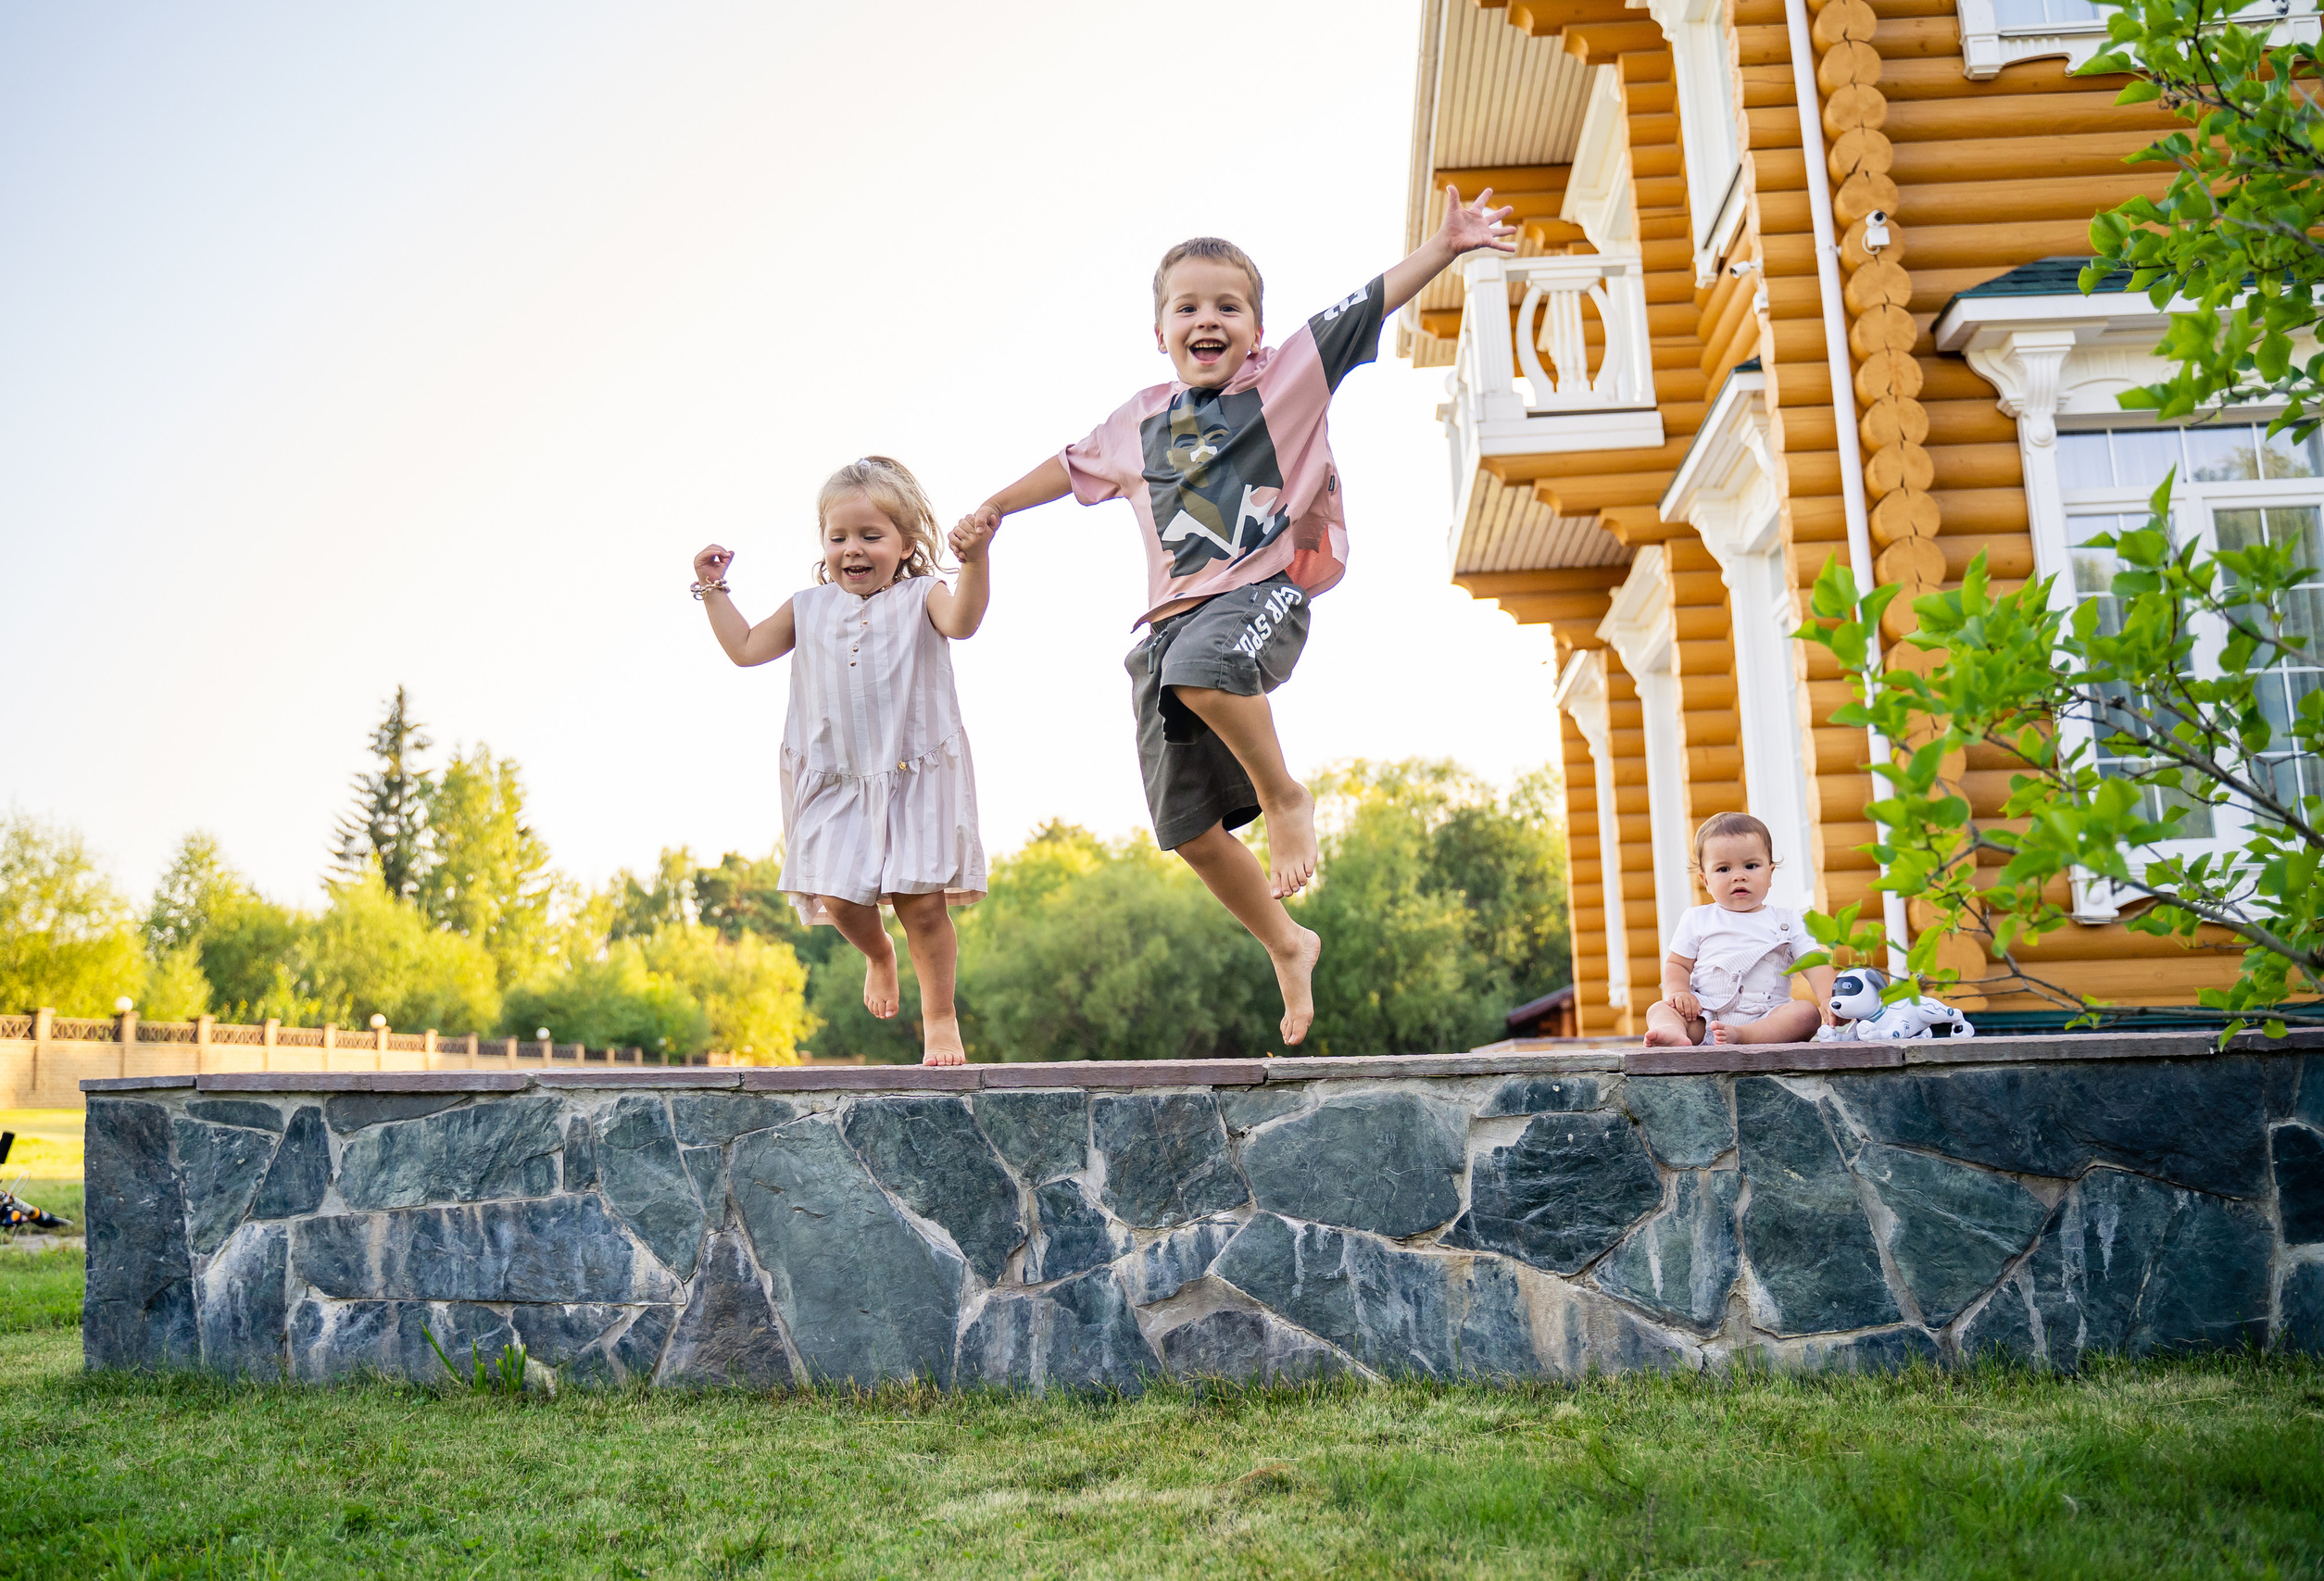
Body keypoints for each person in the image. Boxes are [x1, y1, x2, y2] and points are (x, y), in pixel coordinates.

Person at [951, 189, 1519, 1045]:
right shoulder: (1135, 421)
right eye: (1188, 308)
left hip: (1266, 591)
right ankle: (1287, 942)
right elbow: (1065, 464)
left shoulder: (1289, 373)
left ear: (1258, 326)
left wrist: (1445, 245)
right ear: (1160, 331)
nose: (1207, 320)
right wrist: (994, 506)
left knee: (1201, 670)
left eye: (1229, 306)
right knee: (1188, 829)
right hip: (1166, 623)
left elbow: (1370, 300)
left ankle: (1285, 793)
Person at [691, 456, 992, 1067]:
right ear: (824, 542)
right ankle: (878, 953)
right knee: (835, 890)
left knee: (923, 906)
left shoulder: (922, 596)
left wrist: (976, 562)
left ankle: (940, 1017)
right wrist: (713, 590)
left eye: (870, 536)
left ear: (906, 542)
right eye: (839, 537)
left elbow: (963, 622)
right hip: (834, 777)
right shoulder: (809, 606)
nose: (852, 549)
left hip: (912, 774)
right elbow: (746, 648)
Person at [1645, 812, 1834, 1048]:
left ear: (1770, 873)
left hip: (1766, 1019)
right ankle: (1672, 1033)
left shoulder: (1787, 920)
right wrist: (1679, 992)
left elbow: (1813, 962)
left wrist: (1829, 998)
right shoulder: (1697, 918)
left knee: (1806, 1014)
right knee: (1659, 1009)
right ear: (1705, 880)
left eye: (1751, 866)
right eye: (1724, 870)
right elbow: (1677, 964)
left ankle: (1743, 1036)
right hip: (1705, 1016)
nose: (1739, 876)